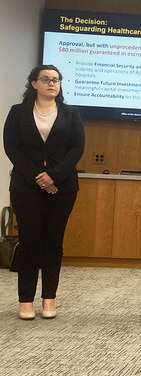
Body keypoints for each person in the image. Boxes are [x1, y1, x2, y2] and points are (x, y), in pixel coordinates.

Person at [3, 65, 85, 320]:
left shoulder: (71, 114)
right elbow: (12, 148)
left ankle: (49, 298)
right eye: (46, 79)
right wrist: (39, 177)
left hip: (62, 187)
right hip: (26, 186)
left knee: (53, 243)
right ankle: (25, 300)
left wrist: (54, 176)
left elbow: (77, 148)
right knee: (29, 242)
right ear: (34, 83)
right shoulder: (18, 112)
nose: (52, 83)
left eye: (56, 80)